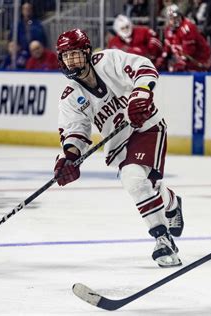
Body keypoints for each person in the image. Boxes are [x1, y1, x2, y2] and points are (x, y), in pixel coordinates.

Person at [53, 29, 184, 267]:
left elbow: (143, 68)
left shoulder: (108, 61)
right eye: (66, 56)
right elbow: (75, 130)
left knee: (133, 179)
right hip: (118, 144)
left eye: (75, 54)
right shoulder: (71, 95)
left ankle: (163, 240)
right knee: (147, 186)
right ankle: (172, 202)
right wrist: (70, 157)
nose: (71, 60)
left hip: (146, 127)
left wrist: (140, 94)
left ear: (87, 52)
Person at [162, 4, 211, 72]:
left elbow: (188, 53)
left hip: (199, 61)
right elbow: (167, 48)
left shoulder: (187, 28)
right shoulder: (168, 30)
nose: (173, 21)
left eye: (175, 18)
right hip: (186, 62)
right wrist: (162, 59)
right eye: (170, 18)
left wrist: (178, 63)